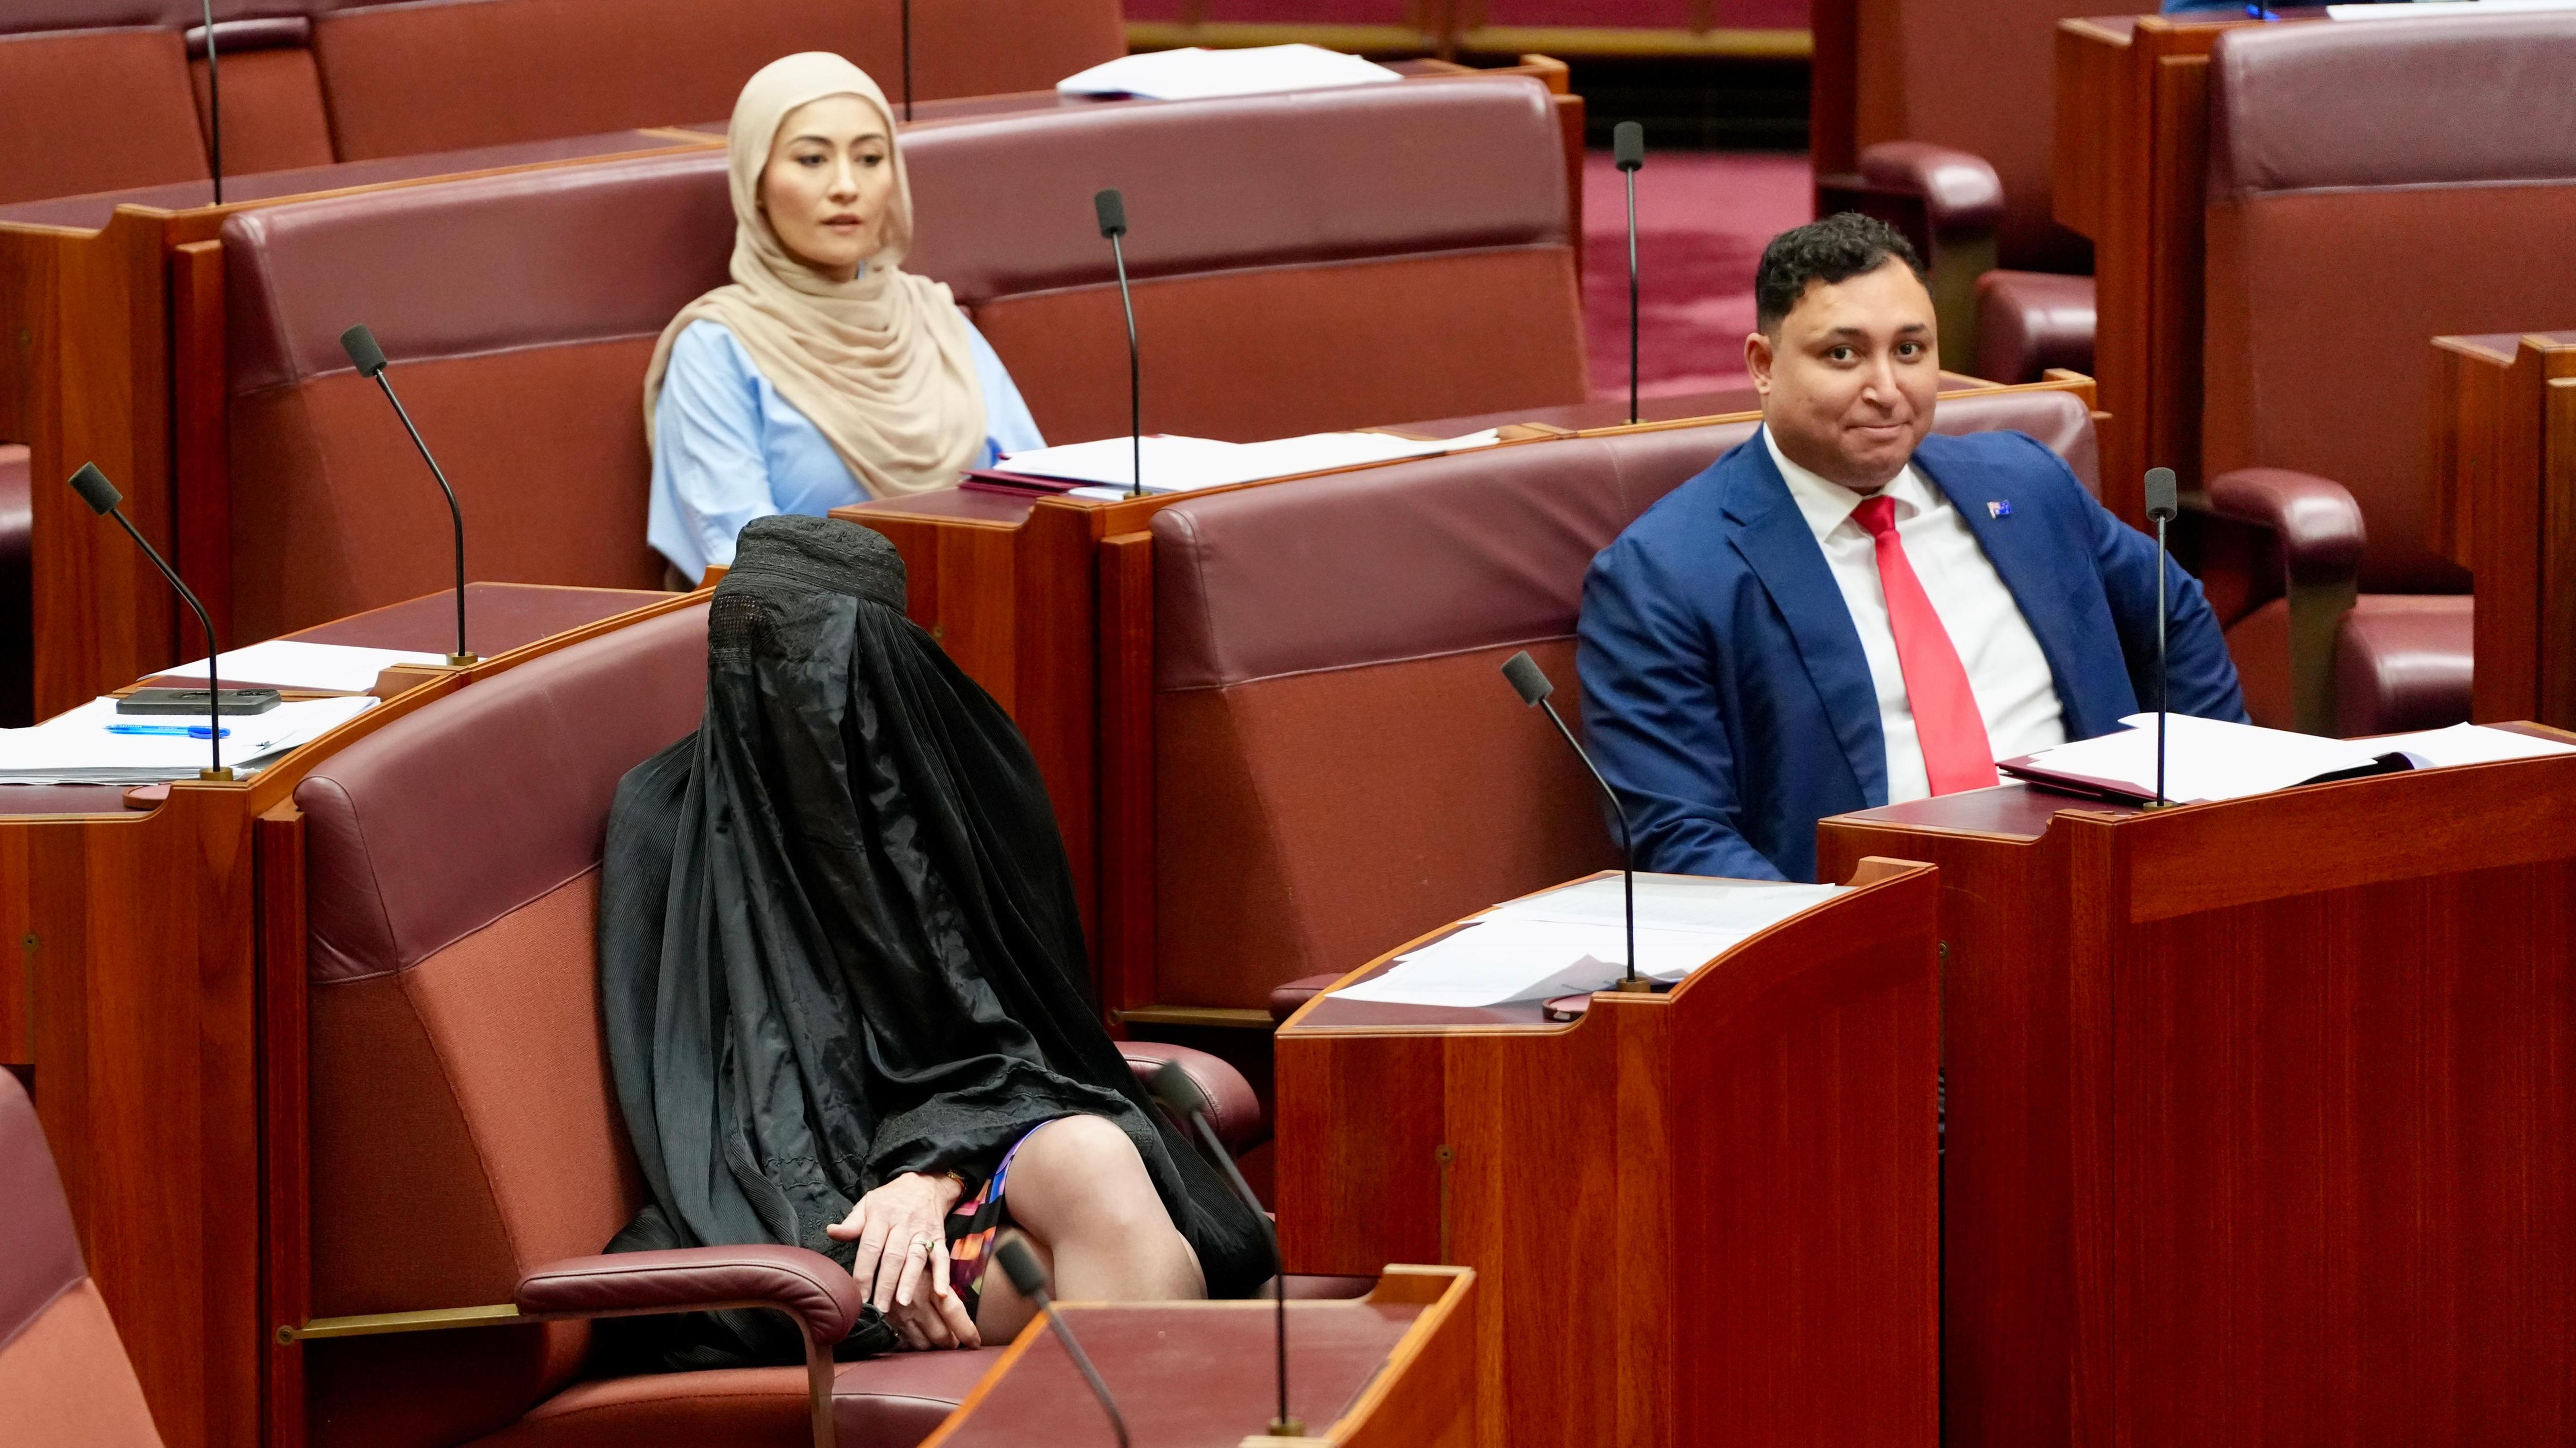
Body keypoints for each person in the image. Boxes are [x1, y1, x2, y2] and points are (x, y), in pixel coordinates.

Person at [597, 515, 1269, 1366]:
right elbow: (717, 1112)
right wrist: (887, 1199)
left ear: (883, 666)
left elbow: (1030, 1042)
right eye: (757, 654)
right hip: (801, 1204)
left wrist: (930, 1173)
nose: (793, 698)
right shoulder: (666, 824)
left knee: (1094, 1156)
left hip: (976, 1145)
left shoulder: (956, 780)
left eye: (821, 667)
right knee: (1133, 1261)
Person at [1578, 213, 2246, 884]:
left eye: (1909, 350)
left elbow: (2174, 612)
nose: (1887, 390)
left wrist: (2212, 820)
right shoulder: (1666, 573)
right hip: (1870, 936)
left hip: (2099, 888)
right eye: (1843, 354)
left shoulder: (2023, 483)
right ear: (1764, 364)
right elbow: (1679, 837)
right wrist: (1835, 941)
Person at [642, 53, 1043, 585]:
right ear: (755, 181)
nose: (845, 186)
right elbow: (748, 566)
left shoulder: (935, 318)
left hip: (981, 618)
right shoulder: (717, 348)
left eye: (870, 158)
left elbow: (1039, 499)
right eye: (812, 160)